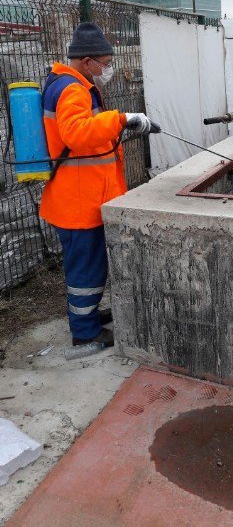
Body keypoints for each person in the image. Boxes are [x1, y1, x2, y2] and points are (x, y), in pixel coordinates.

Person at [39, 22, 154, 348]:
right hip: (78, 203)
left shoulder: (70, 84)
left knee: (86, 267)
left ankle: (85, 317)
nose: (108, 69)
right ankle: (85, 335)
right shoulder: (71, 89)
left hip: (79, 198)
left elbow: (86, 138)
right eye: (104, 63)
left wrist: (125, 125)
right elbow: (76, 133)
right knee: (86, 272)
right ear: (86, 61)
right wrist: (121, 118)